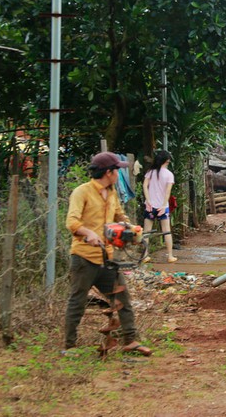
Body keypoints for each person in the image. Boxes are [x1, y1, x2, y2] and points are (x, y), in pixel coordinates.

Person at [64, 151, 151, 356]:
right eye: (117, 170)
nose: (118, 174)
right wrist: (88, 233)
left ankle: (130, 340)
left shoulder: (111, 192)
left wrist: (129, 226)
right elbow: (72, 222)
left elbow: (119, 214)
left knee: (122, 298)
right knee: (77, 301)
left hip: (107, 258)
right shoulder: (82, 192)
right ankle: (69, 346)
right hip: (84, 258)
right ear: (109, 172)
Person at [142, 150, 176, 263]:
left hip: (150, 206)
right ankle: (170, 256)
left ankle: (145, 255)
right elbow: (168, 192)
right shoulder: (169, 175)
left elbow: (145, 186)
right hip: (163, 207)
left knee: (146, 231)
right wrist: (163, 205)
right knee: (167, 231)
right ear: (167, 161)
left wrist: (148, 200)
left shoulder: (150, 172)